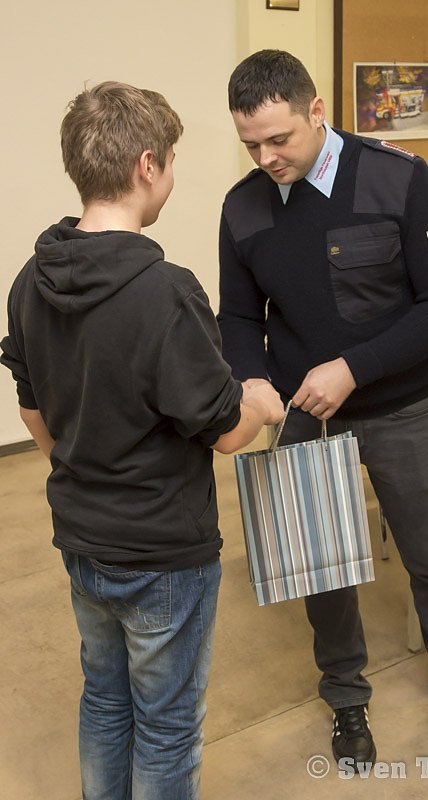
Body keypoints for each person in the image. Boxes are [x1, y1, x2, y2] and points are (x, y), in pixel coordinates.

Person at [217, 50, 428, 770]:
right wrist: (254, 381)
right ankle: (344, 696)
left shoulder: (398, 178)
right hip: (305, 414)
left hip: (400, 409)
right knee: (321, 566)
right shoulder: (241, 206)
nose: (266, 158)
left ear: (316, 110)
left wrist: (354, 368)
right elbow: (237, 317)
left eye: (279, 139)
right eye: (250, 145)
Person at [0, 81, 284, 800]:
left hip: (83, 539)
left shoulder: (32, 279)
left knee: (104, 696)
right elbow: (223, 432)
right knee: (165, 723)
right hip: (163, 555)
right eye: (175, 162)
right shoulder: (165, 290)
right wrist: (256, 400)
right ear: (147, 165)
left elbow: (33, 408)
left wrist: (81, 465)